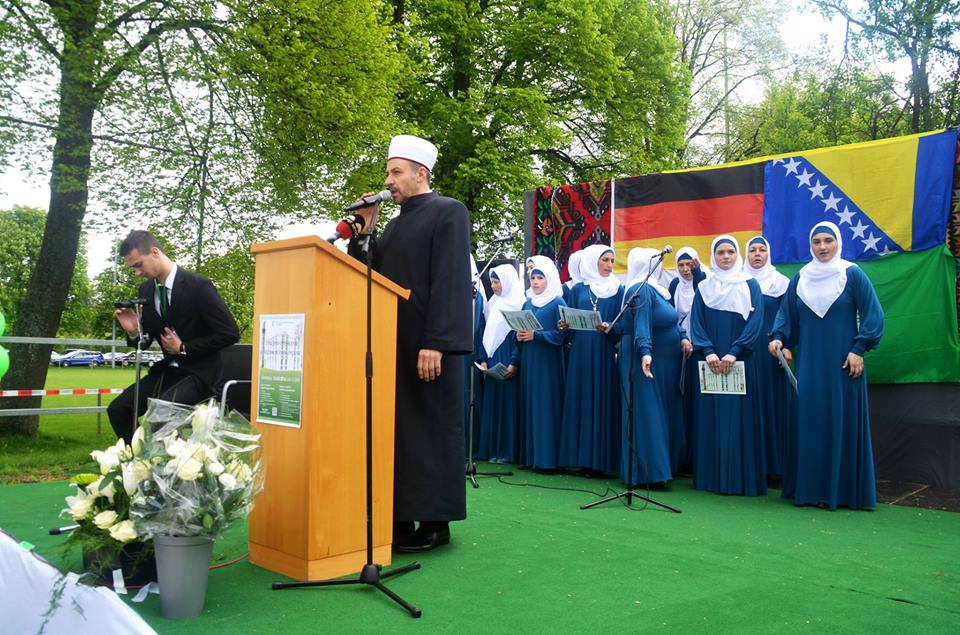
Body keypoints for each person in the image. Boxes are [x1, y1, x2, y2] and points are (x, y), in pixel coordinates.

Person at [348, 134, 472, 552]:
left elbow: (450, 280)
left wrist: (436, 341)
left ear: (421, 174)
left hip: (429, 347)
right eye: (388, 172)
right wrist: (366, 229)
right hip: (394, 345)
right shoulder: (395, 224)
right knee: (401, 434)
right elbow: (372, 275)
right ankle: (399, 516)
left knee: (433, 431)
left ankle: (436, 522)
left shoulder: (449, 212)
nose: (388, 180)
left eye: (395, 172)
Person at [769, 222, 883, 510]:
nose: (822, 247)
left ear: (838, 243)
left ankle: (843, 493)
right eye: (817, 241)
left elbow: (873, 314)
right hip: (810, 365)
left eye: (828, 241)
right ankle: (810, 491)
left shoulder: (852, 274)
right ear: (810, 245)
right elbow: (787, 317)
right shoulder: (800, 278)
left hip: (844, 364)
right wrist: (780, 339)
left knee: (841, 420)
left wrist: (859, 349)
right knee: (811, 421)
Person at [107, 230, 239, 444]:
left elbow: (230, 333)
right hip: (168, 371)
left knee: (161, 417)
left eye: (138, 265)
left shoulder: (198, 286)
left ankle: (168, 460)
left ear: (155, 252)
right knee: (118, 409)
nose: (137, 273)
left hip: (201, 373)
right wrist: (134, 331)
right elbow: (144, 342)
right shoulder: (146, 290)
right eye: (133, 268)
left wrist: (184, 347)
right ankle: (140, 458)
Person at [690, 235, 766, 496]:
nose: (725, 257)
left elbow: (756, 323)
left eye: (730, 252)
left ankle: (740, 480)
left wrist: (734, 352)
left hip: (741, 360)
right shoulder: (704, 288)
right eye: (720, 252)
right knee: (712, 417)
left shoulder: (750, 285)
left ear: (737, 255)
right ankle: (710, 479)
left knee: (740, 419)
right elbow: (696, 322)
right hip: (710, 362)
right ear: (713, 256)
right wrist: (709, 352)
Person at [611, 248, 679, 486]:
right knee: (645, 412)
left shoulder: (657, 290)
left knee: (655, 412)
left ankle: (658, 469)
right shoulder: (640, 290)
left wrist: (682, 337)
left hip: (658, 358)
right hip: (641, 358)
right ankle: (647, 473)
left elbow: (670, 320)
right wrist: (645, 352)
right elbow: (641, 324)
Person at [557, 244, 623, 474]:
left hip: (604, 351)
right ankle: (579, 458)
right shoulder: (578, 289)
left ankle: (601, 461)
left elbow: (622, 325)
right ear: (593, 261)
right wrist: (564, 325)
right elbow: (570, 326)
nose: (609, 265)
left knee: (602, 399)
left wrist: (610, 326)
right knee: (582, 399)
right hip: (580, 353)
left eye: (611, 260)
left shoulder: (619, 289)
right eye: (605, 260)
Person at [742, 236, 793, 483]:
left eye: (762, 250)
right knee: (749, 406)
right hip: (744, 351)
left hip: (772, 351)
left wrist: (787, 345)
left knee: (773, 405)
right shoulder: (738, 281)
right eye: (752, 250)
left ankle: (776, 466)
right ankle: (751, 464)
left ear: (768, 254)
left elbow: (789, 317)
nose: (757, 254)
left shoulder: (781, 282)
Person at [517, 256, 566, 469]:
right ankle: (532, 458)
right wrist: (520, 335)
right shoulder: (528, 302)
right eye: (533, 278)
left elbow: (562, 336)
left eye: (540, 278)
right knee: (531, 405)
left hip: (548, 363)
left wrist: (536, 335)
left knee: (546, 406)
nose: (535, 282)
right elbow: (521, 331)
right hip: (530, 361)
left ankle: (547, 460)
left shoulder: (557, 302)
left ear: (550, 279)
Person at [476, 265, 524, 464]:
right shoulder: (492, 303)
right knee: (493, 402)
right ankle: (491, 450)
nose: (494, 286)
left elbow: (518, 337)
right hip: (492, 358)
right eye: (492, 282)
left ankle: (506, 451)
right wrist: (483, 358)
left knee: (507, 404)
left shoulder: (519, 303)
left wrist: (514, 362)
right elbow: (485, 333)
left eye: (497, 282)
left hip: (507, 357)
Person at [667, 247, 704, 471]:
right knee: (682, 399)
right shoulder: (674, 285)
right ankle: (682, 455)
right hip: (681, 349)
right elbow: (672, 316)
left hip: (701, 349)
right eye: (680, 265)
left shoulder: (705, 282)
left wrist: (699, 276)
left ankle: (698, 455)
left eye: (689, 264)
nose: (685, 269)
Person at [464, 256, 485, 459]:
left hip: (467, 355)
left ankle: (469, 446)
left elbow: (476, 329)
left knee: (468, 397)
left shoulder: (475, 297)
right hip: (449, 355)